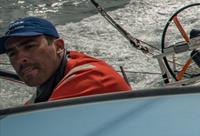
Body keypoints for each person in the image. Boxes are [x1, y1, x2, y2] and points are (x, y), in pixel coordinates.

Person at [0, 16, 130, 104]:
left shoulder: (91, 79)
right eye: (12, 53)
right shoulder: (50, 83)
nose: (20, 58)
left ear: (59, 47)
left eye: (29, 46)